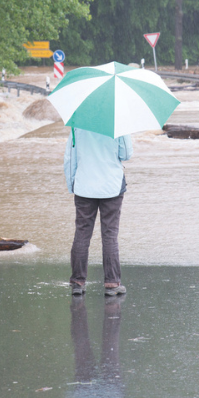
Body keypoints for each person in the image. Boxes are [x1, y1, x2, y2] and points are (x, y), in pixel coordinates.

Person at [64, 126, 132, 296]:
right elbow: (126, 154)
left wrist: (72, 184)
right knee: (109, 234)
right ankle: (112, 283)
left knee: (82, 233)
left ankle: (78, 282)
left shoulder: (78, 123)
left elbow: (70, 158)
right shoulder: (118, 121)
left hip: (84, 186)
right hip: (111, 186)